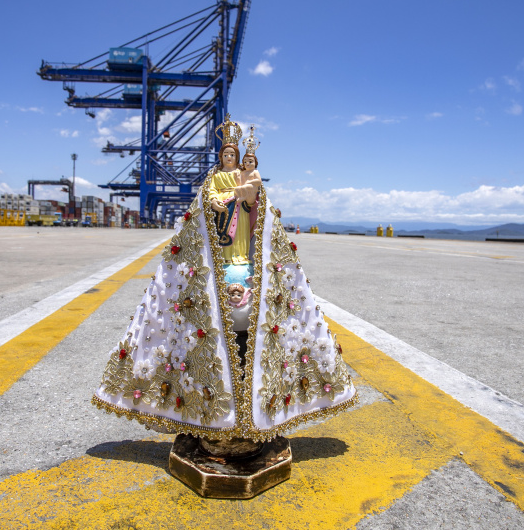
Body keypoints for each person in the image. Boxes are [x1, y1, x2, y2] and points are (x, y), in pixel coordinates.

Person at [92, 113, 357, 442]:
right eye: (228, 155)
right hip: (222, 239)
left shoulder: (250, 177)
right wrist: (220, 199)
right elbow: (206, 201)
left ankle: (253, 408)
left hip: (242, 235)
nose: (231, 159)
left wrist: (245, 195)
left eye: (236, 155)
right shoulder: (215, 179)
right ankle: (213, 409)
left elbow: (255, 201)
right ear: (222, 157)